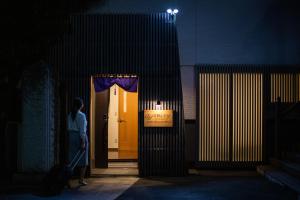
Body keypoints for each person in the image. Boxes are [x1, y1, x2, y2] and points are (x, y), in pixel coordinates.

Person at [67, 97, 88, 186]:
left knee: (72, 159)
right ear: (81, 105)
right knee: (83, 160)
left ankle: (67, 180)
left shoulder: (70, 114)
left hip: (71, 137)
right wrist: (83, 141)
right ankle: (81, 179)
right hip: (79, 137)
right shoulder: (81, 115)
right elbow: (82, 130)